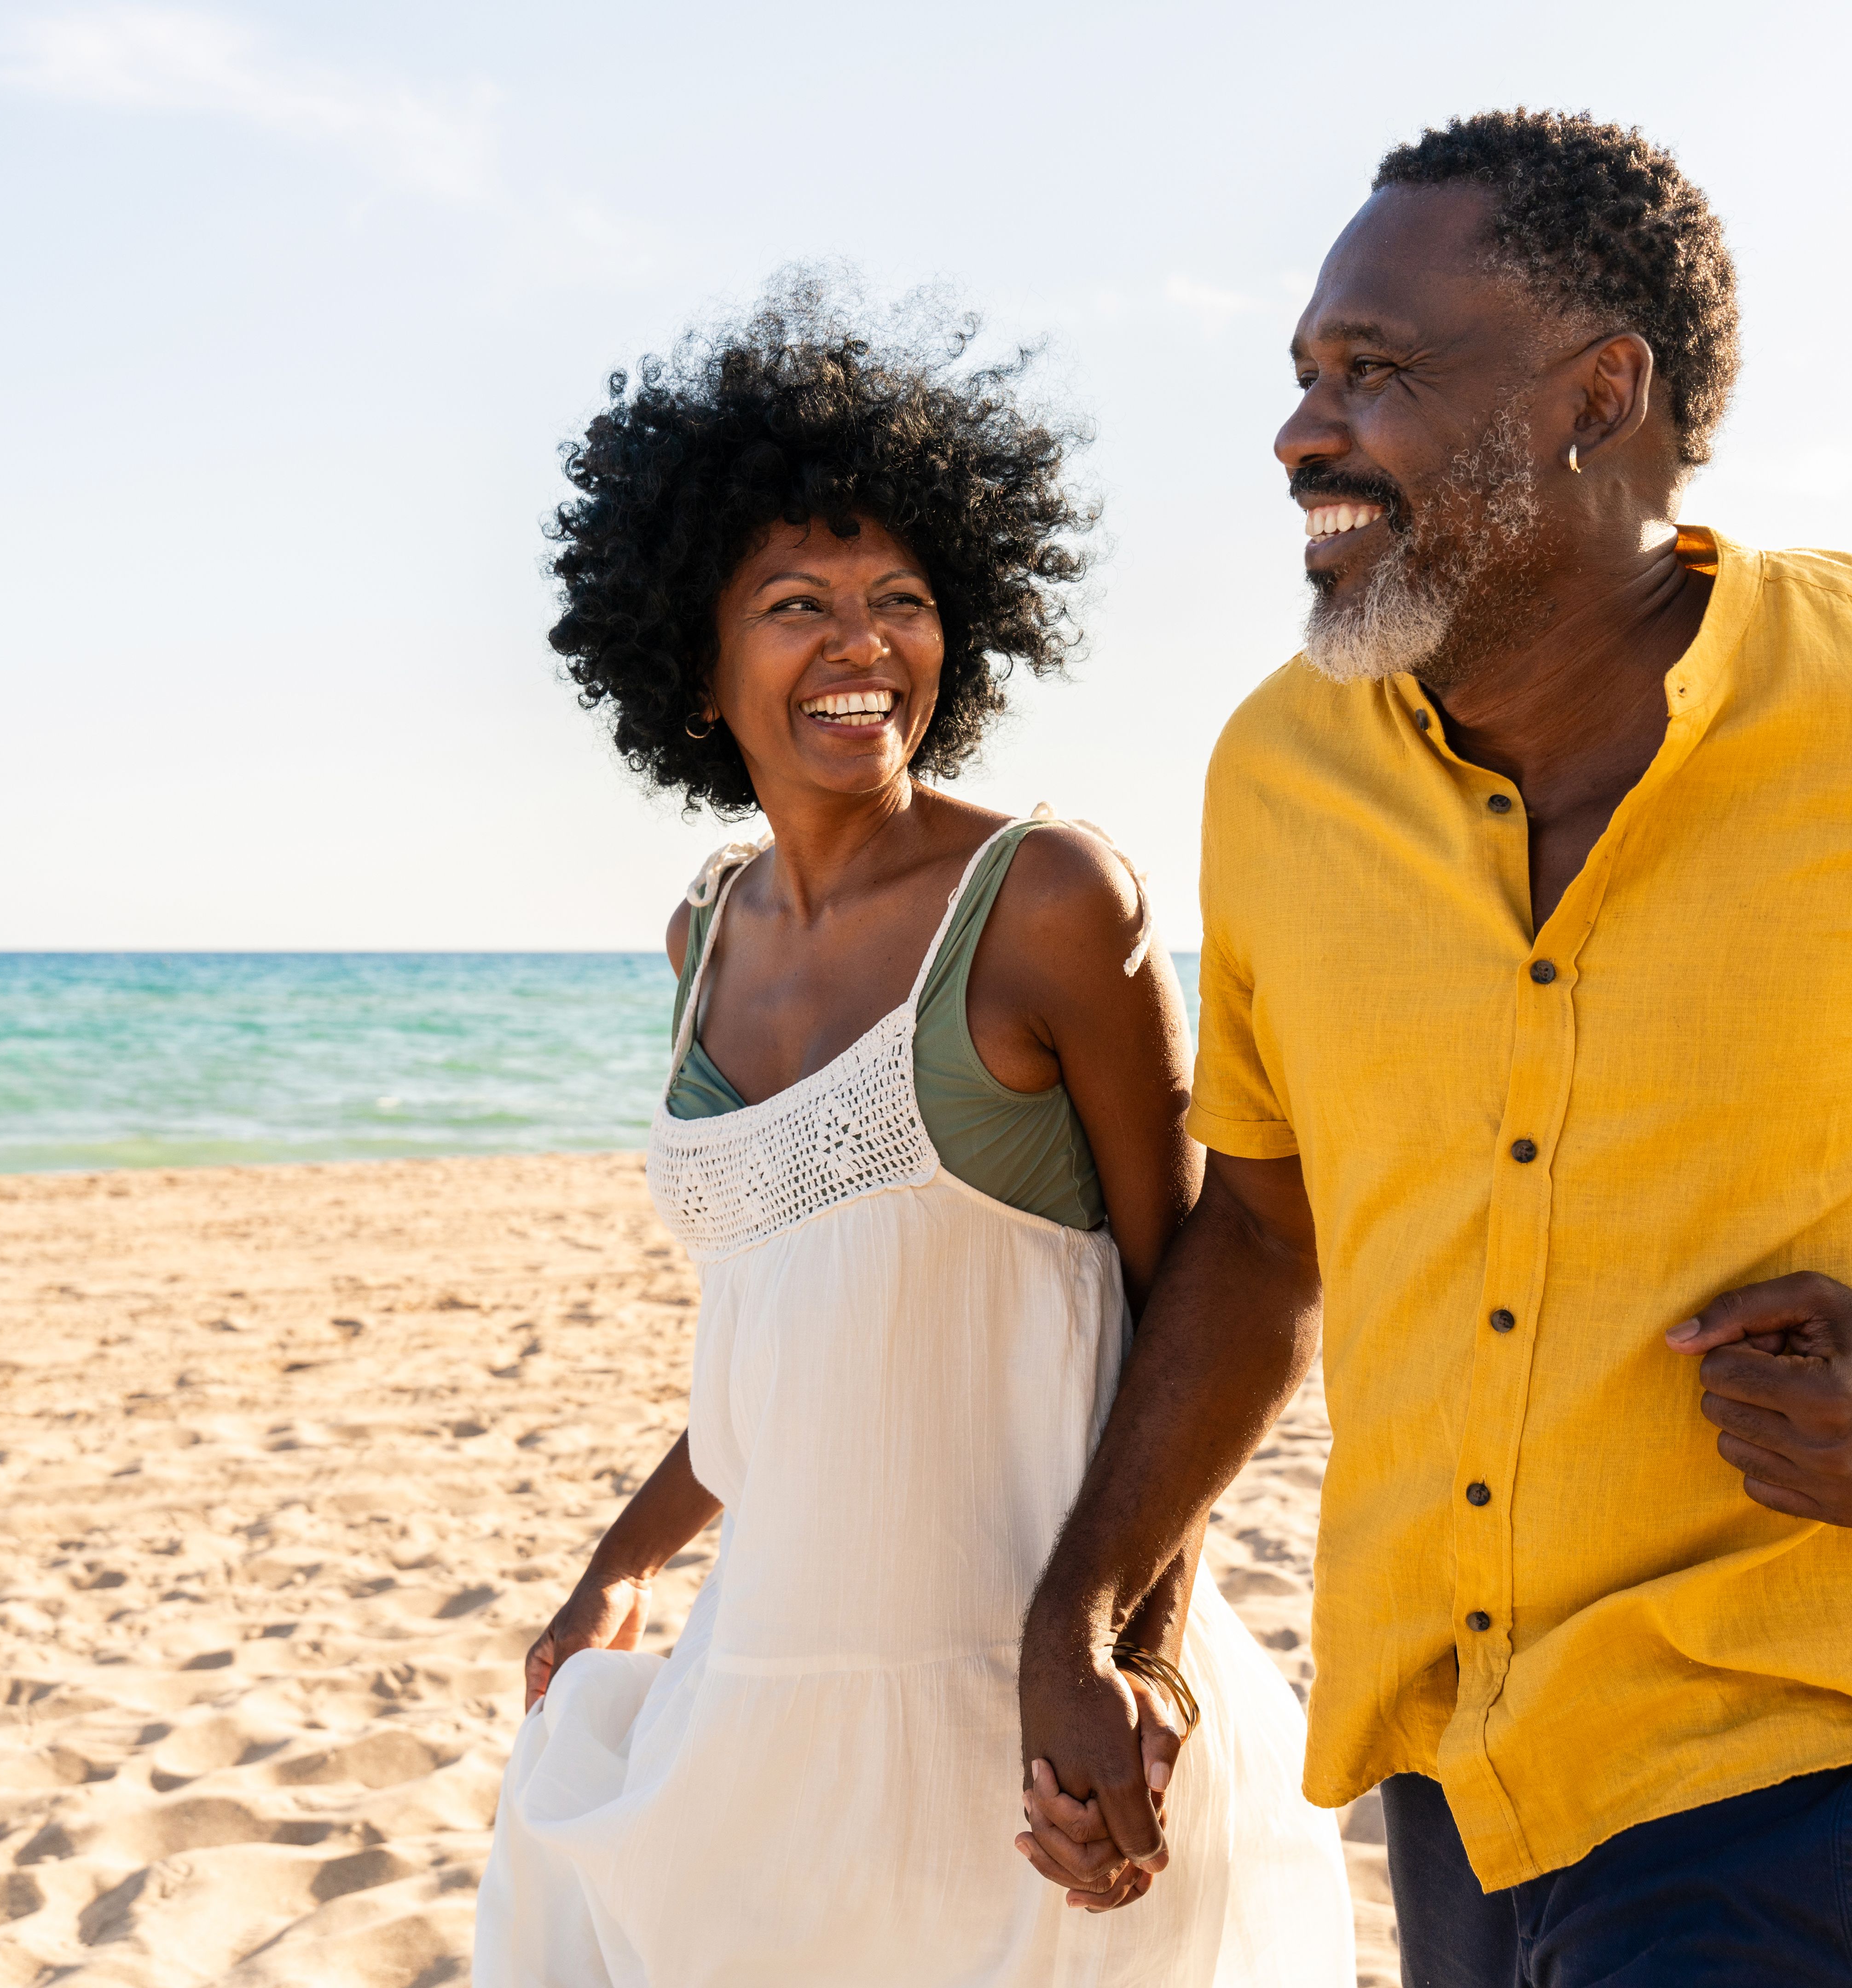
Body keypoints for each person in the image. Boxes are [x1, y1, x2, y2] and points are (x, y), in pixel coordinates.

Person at [1010, 112, 1852, 1985]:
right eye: (1303, 375)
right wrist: (1095, 1612)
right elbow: (1268, 1233)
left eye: (1376, 372)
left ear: (1598, 395)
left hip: (1802, 1725)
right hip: (1454, 1748)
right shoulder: (1279, 776)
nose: (1303, 432)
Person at [471, 281, 1351, 1987]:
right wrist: (616, 1565)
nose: (863, 645)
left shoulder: (1048, 903)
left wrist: (1143, 1665)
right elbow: (802, 1354)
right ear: (694, 660)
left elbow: (1200, 1309)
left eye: (903, 602)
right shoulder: (703, 935)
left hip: (1029, 1725)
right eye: (796, 605)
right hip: (768, 1720)